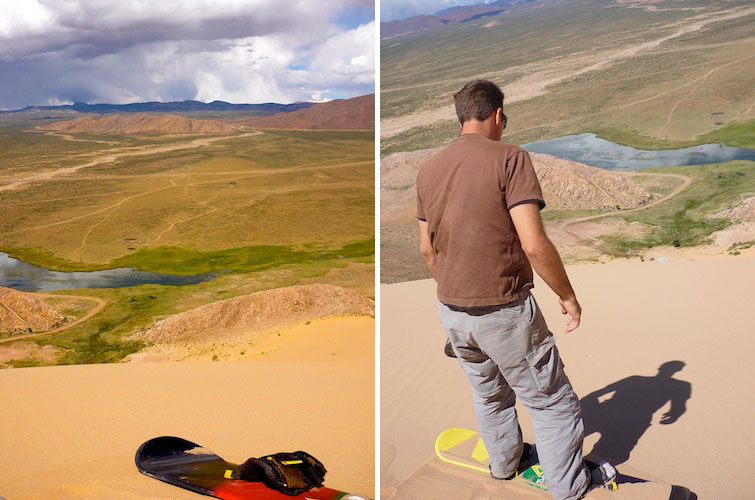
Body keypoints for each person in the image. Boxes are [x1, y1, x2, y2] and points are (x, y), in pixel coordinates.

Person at [416, 80, 611, 500]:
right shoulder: (510, 157)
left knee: (490, 394)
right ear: (498, 115)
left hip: (451, 311)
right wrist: (568, 296)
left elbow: (426, 250)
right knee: (554, 404)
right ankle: (569, 489)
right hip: (503, 312)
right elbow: (534, 243)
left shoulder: (429, 169)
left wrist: (458, 294)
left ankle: (503, 466)